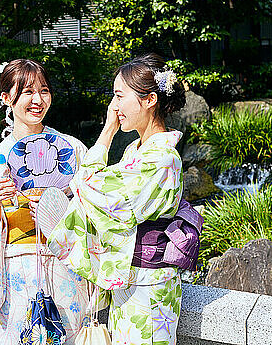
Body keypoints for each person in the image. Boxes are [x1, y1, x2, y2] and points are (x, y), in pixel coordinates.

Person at [47, 53, 187, 345]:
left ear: (149, 100)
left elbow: (85, 184)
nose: (114, 106)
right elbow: (88, 185)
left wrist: (108, 131)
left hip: (150, 283)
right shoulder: (136, 150)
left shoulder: (162, 157)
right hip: (129, 277)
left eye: (119, 96)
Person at [0, 59, 89, 345]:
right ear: (7, 98)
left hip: (66, 267)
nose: (38, 100)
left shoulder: (72, 150)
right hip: (15, 271)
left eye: (44, 90)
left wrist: (61, 210)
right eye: (27, 92)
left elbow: (94, 211)